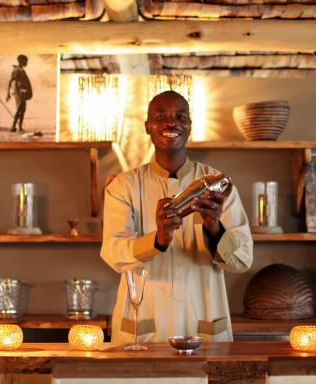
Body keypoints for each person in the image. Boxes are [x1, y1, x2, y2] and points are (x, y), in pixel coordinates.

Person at [100, 90, 254, 343]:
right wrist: (159, 239)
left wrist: (214, 228)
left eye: (180, 116)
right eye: (161, 117)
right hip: (144, 322)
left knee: (206, 382)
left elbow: (243, 259)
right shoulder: (123, 186)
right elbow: (113, 252)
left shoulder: (218, 185)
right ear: (148, 127)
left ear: (190, 126)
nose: (171, 123)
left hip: (204, 317)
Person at [5, 55, 32, 133]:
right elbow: (11, 81)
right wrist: (8, 93)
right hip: (19, 92)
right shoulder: (16, 70)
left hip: (23, 91)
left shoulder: (22, 70)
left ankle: (20, 127)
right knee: (19, 108)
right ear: (21, 61)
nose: (27, 63)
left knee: (23, 109)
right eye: (26, 61)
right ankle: (13, 126)